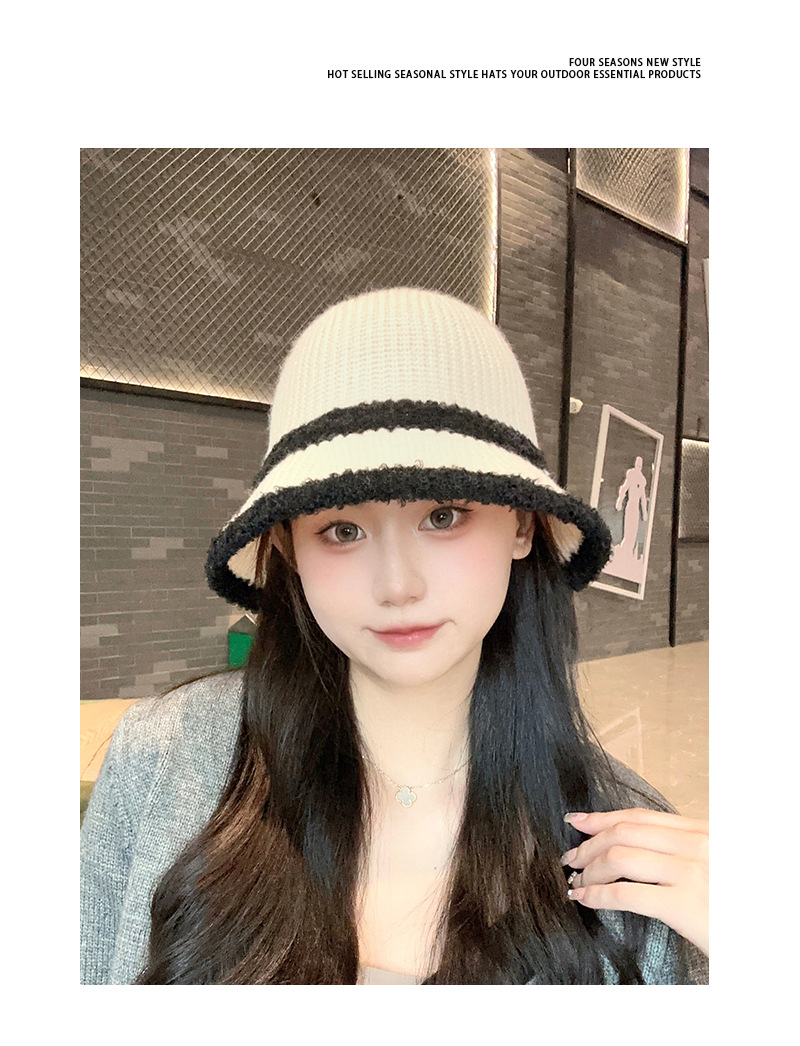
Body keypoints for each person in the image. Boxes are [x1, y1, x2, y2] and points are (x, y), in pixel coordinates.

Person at [80, 287, 709, 985]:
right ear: (288, 547)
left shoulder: (633, 856)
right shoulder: (164, 760)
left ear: (523, 525)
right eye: (341, 529)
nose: (397, 585)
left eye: (444, 515)